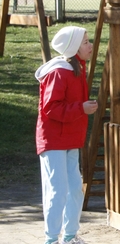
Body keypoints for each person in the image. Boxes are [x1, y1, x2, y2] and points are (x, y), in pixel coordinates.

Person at [35, 26, 99, 244]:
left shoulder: (76, 69)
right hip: (53, 140)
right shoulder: (59, 72)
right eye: (85, 42)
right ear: (73, 48)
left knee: (74, 190)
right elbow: (51, 108)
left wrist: (82, 107)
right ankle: (51, 239)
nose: (90, 46)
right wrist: (81, 108)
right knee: (58, 191)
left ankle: (70, 236)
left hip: (71, 139)